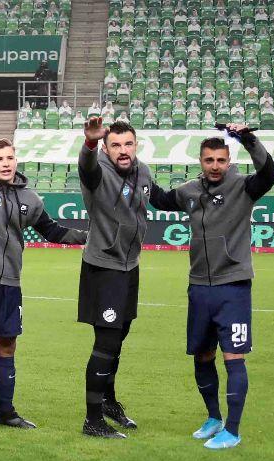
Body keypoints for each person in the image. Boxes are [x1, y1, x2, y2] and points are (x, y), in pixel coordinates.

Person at [0, 88, 88, 432]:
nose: (6, 163)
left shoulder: (31, 199)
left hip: (10, 282)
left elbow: (52, 231)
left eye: (10, 157)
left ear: (16, 160)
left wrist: (89, 236)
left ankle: (6, 413)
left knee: (7, 346)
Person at [148, 124, 274, 449]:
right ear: (201, 161)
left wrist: (248, 139)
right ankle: (213, 418)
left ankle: (232, 431)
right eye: (209, 160)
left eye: (221, 160)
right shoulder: (190, 191)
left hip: (233, 286)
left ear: (229, 160)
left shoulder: (244, 187)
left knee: (233, 357)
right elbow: (160, 200)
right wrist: (135, 170)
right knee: (203, 355)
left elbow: (269, 173)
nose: (215, 166)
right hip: (199, 287)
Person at [75, 118, 160, 438]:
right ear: (106, 148)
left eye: (128, 144)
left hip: (130, 266)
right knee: (106, 343)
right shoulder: (97, 171)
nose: (123, 151)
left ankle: (109, 402)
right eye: (116, 145)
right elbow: (86, 168)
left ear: (135, 145)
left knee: (118, 339)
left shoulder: (143, 171)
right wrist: (89, 143)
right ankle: (92, 420)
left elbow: (161, 198)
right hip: (103, 267)